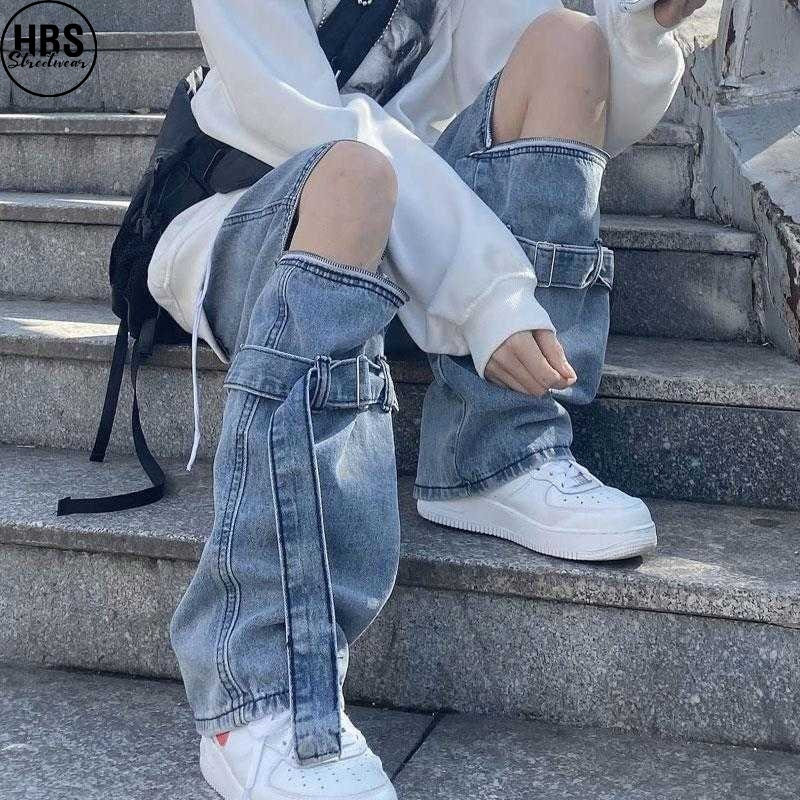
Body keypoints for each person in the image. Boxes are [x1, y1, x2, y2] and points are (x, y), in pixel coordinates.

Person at [149, 1, 707, 797]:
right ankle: (259, 692)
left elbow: (567, 125)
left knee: (568, 41)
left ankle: (499, 448)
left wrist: (640, 30)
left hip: (419, 244)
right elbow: (304, 119)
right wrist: (485, 295)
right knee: (353, 175)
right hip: (251, 211)